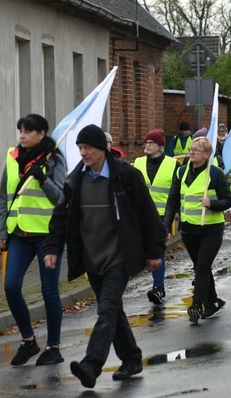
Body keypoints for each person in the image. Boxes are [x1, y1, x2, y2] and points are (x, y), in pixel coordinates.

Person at [44, 124, 165, 389]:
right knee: (113, 311)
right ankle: (131, 358)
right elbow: (61, 217)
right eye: (80, 147)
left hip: (119, 257)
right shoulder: (76, 181)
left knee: (106, 309)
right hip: (92, 258)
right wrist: (53, 248)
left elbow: (146, 213)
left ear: (102, 149)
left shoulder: (125, 176)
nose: (83, 152)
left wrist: (154, 251)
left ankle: (91, 365)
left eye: (88, 147)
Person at [0, 114, 66, 366]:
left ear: (42, 133)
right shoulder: (12, 158)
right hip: (18, 234)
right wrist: (0, 231)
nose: (22, 135)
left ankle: (53, 347)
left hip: (47, 235)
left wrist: (43, 178)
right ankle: (28, 341)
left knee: (49, 291)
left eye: (28, 131)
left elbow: (60, 198)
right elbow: (3, 196)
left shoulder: (54, 158)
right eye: (20, 131)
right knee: (11, 286)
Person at [163, 136, 231, 324]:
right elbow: (173, 200)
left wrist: (213, 203)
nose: (192, 152)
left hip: (211, 229)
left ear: (207, 154)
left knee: (202, 266)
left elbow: (228, 200)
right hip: (188, 230)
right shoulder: (182, 172)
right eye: (191, 149)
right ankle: (213, 302)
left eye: (197, 150)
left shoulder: (216, 174)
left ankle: (195, 305)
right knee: (202, 267)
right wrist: (166, 225)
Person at [133, 129, 177, 305]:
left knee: (157, 251)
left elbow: (175, 195)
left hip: (160, 217)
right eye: (146, 143)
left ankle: (158, 288)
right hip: (139, 215)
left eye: (151, 143)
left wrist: (169, 222)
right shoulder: (138, 162)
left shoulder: (173, 165)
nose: (147, 145)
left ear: (160, 145)